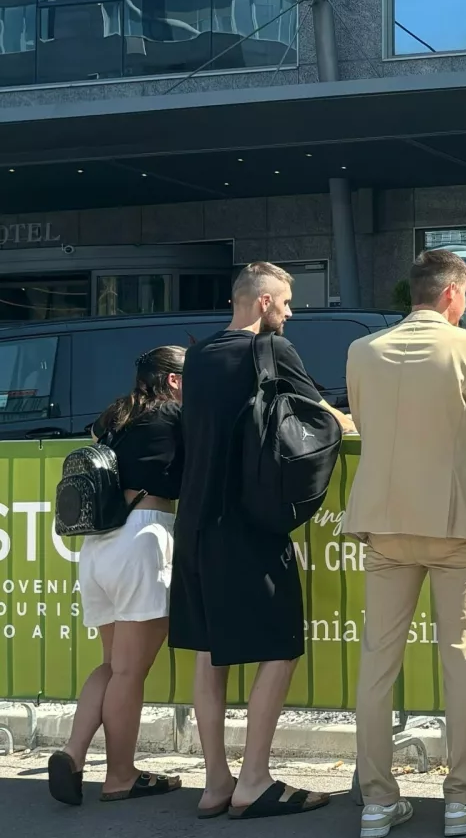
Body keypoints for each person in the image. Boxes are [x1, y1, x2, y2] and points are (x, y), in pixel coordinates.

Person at [347, 249, 466, 838]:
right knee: (462, 661)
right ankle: (460, 799)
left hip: (383, 521)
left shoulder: (362, 351)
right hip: (456, 523)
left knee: (377, 663)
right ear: (452, 294)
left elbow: (369, 426)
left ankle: (377, 802)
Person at [169, 261, 354, 820]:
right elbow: (323, 416)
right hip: (247, 523)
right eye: (287, 302)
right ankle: (253, 780)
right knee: (280, 645)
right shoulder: (270, 350)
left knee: (210, 652)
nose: (291, 313)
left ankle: (215, 783)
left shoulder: (198, 356)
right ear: (265, 301)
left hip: (194, 521)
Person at [48, 347, 186, 806]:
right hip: (143, 539)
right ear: (172, 380)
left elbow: (99, 446)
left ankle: (73, 752)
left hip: (97, 545)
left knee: (111, 665)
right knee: (129, 671)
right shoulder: (174, 415)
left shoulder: (115, 417)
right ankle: (120, 776)